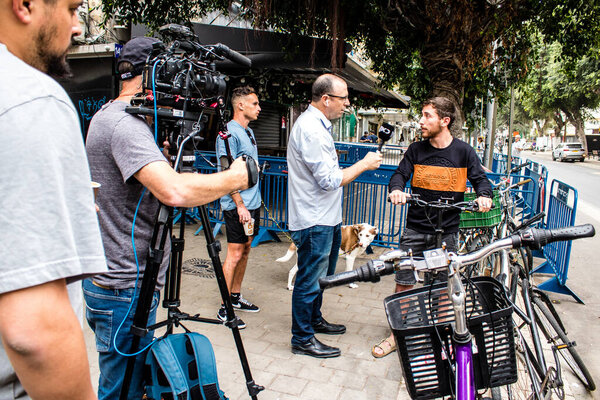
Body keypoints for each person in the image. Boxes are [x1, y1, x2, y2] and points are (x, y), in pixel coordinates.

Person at [84, 37, 255, 399]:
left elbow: (160, 184)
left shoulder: (108, 115)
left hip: (119, 281)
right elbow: (174, 192)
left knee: (131, 383)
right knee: (120, 391)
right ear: (150, 74)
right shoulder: (126, 126)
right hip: (124, 286)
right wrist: (235, 179)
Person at [0, 1, 108, 399]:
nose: (78, 27)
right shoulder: (30, 98)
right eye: (72, 8)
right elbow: (35, 332)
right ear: (25, 6)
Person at [371, 97, 493, 358]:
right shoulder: (415, 150)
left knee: (441, 288)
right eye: (422, 116)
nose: (421, 121)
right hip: (415, 229)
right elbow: (400, 175)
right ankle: (396, 335)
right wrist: (396, 190)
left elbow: (481, 179)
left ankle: (440, 335)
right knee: (404, 283)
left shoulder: (464, 152)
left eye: (427, 116)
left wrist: (484, 196)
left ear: (444, 121)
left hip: (447, 232)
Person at [287, 74, 383, 358]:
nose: (348, 105)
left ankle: (313, 320)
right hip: (314, 219)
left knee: (323, 277)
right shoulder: (312, 130)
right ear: (326, 99)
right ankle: (302, 338)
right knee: (310, 279)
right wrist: (363, 164)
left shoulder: (318, 127)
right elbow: (329, 180)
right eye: (344, 99)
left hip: (326, 218)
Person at [215, 86, 262, 328]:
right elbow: (225, 172)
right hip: (237, 207)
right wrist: (240, 204)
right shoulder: (228, 134)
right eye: (254, 103)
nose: (259, 108)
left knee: (246, 250)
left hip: (253, 205)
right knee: (234, 253)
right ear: (240, 105)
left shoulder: (249, 132)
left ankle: (235, 296)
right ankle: (225, 308)